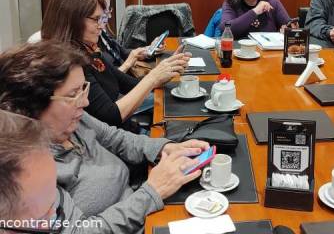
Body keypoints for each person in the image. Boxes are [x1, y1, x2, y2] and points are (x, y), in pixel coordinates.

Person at [0, 41, 207, 232]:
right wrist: (151, 193)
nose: (85, 102)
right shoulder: (31, 169)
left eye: (84, 89)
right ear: (33, 105)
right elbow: (80, 231)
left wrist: (163, 148)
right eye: (73, 95)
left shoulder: (73, 119)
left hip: (144, 203)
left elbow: (115, 138)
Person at [41, 0, 189, 130]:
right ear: (73, 20)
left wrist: (165, 73)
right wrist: (154, 77)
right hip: (118, 137)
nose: (102, 25)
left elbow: (127, 83)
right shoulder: (71, 65)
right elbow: (111, 116)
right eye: (96, 19)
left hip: (124, 131)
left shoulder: (89, 50)